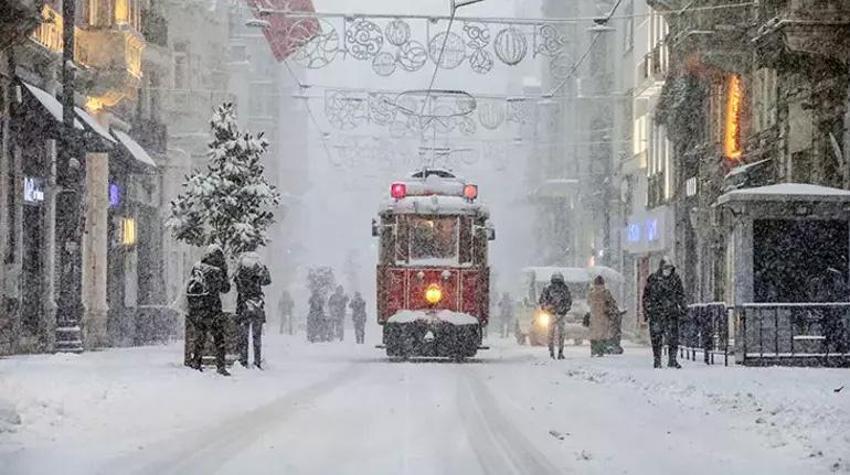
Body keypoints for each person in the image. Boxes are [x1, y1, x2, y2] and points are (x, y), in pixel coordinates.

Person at [186, 244, 231, 376]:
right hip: (213, 308)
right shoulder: (218, 270)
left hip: (198, 308)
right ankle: (221, 366)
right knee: (219, 338)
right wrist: (224, 272)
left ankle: (196, 362)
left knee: (200, 336)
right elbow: (225, 288)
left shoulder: (198, 266)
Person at [643, 256, 685, 369]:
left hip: (671, 313)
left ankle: (672, 359)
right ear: (661, 268)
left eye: (670, 268)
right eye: (666, 268)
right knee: (656, 338)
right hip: (656, 313)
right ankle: (657, 360)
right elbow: (646, 296)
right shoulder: (653, 279)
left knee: (673, 338)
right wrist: (647, 311)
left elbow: (680, 295)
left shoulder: (675, 279)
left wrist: (683, 307)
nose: (668, 270)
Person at [234, 251, 271, 369]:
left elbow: (236, 283)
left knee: (243, 336)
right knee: (257, 336)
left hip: (243, 306)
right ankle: (257, 361)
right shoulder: (258, 272)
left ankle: (243, 361)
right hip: (257, 305)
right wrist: (264, 268)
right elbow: (268, 281)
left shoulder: (240, 272)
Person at [539, 272, 573, 360]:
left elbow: (542, 301)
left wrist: (548, 309)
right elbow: (569, 301)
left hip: (552, 314)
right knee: (560, 334)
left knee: (551, 334)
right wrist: (564, 310)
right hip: (559, 314)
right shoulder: (564, 288)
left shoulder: (548, 288)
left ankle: (552, 352)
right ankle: (559, 352)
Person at [588, 275, 619, 357]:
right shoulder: (606, 293)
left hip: (594, 316)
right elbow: (612, 303)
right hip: (604, 316)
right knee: (602, 334)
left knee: (594, 334)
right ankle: (600, 350)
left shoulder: (591, 293)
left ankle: (593, 350)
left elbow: (588, 303)